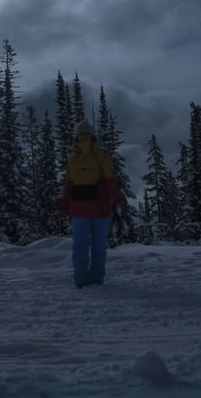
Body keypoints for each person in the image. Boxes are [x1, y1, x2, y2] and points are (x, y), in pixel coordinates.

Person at [58, 120, 127, 288]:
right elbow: (111, 182)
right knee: (99, 246)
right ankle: (96, 280)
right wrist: (119, 198)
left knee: (80, 246)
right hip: (100, 209)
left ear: (76, 137)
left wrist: (63, 204)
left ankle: (80, 281)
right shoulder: (102, 156)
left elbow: (68, 185)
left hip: (78, 209)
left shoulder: (73, 159)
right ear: (93, 135)